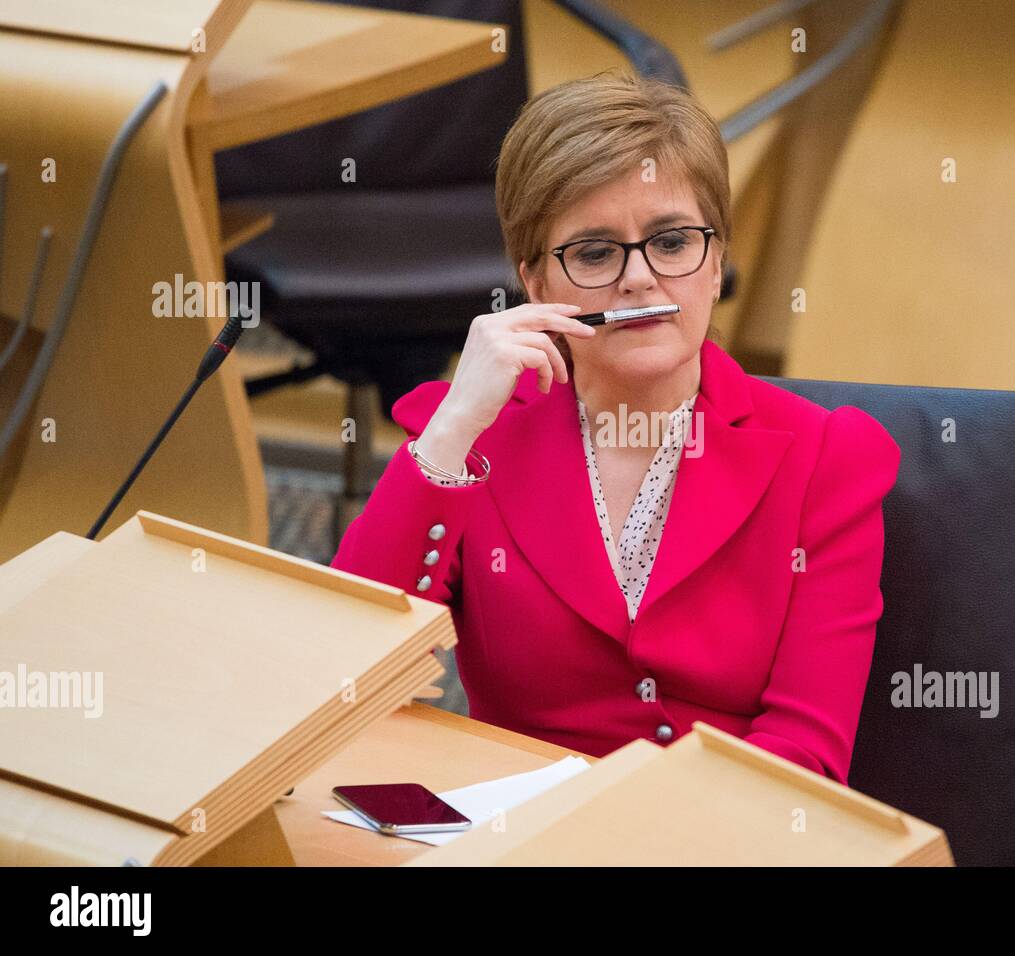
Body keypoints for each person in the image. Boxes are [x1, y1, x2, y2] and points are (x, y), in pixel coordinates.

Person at [330, 70, 900, 785]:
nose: (638, 279)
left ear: (717, 259)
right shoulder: (474, 438)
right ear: (536, 283)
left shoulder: (828, 459)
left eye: (671, 242)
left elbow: (805, 752)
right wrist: (453, 431)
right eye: (595, 253)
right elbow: (340, 673)